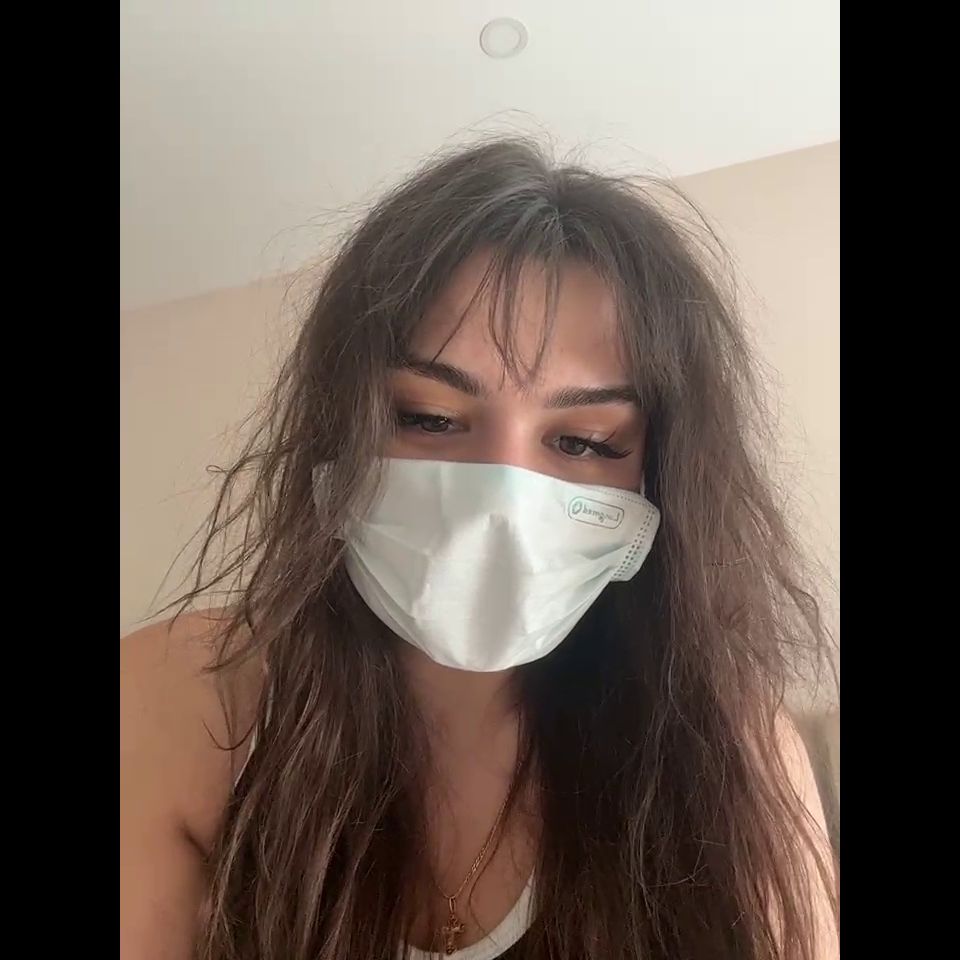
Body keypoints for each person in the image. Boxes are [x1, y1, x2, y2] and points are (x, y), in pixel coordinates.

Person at [120, 139, 838, 960]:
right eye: (428, 419)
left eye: (583, 440)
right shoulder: (179, 702)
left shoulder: (733, 748)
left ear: (660, 478)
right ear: (337, 432)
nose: (500, 500)